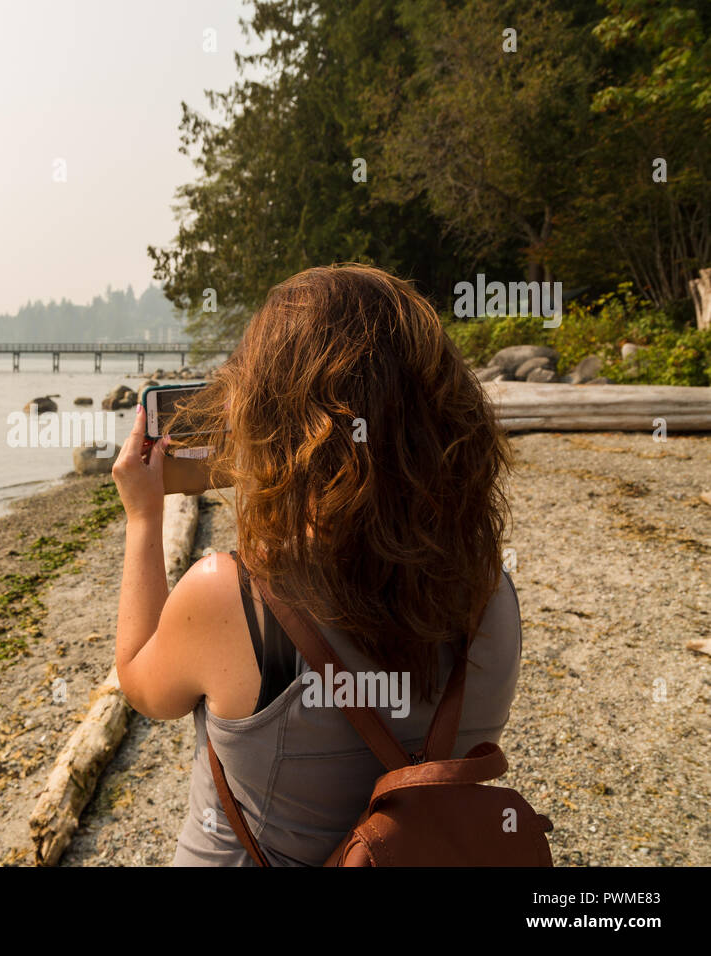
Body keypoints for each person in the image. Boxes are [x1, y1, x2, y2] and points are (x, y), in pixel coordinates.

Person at [111, 263, 522, 866]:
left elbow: (144, 686)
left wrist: (144, 520)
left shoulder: (231, 597)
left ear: (269, 419)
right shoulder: (490, 593)